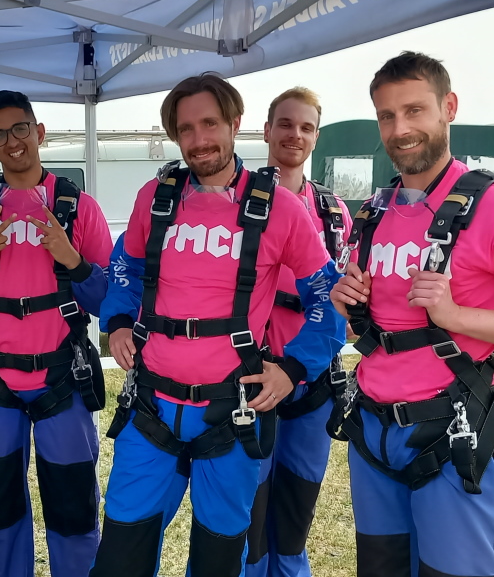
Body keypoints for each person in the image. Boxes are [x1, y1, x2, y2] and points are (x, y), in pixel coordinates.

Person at [91, 73, 345, 577]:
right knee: (120, 553)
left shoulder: (281, 209)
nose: (199, 138)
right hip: (152, 406)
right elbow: (127, 265)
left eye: (209, 123)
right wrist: (118, 321)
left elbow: (328, 297)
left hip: (232, 413)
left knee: (218, 560)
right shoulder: (156, 198)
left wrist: (293, 369)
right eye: (185, 128)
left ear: (235, 123)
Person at [329, 51, 494, 577]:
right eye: (387, 115)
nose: (401, 129)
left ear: (448, 108)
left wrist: (456, 314)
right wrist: (350, 305)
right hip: (375, 433)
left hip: (455, 432)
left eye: (415, 110)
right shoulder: (374, 211)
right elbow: (369, 331)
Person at [0, 90, 112, 577]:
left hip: (63, 380)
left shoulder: (80, 210)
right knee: (0, 512)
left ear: (39, 133)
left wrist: (72, 260)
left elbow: (110, 303)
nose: (12, 141)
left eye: (20, 129)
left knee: (75, 514)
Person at [245, 87, 352, 577]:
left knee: (292, 521)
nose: (295, 135)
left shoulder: (335, 215)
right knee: (249, 522)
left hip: (311, 382)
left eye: (306, 127)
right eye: (285, 124)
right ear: (266, 131)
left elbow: (345, 300)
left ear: (316, 137)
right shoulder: (238, 201)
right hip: (249, 379)